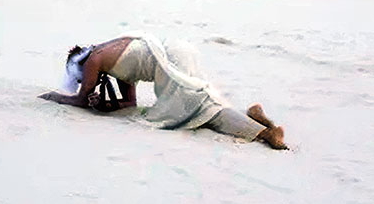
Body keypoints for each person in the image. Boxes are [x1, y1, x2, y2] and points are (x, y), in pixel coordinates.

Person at [38, 33, 288, 150]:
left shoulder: (95, 59)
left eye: (82, 79)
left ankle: (266, 134)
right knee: (202, 102)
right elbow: (128, 102)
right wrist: (104, 106)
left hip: (169, 63)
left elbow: (81, 101)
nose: (87, 82)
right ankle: (257, 118)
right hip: (176, 50)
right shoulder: (111, 53)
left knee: (201, 111)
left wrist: (56, 97)